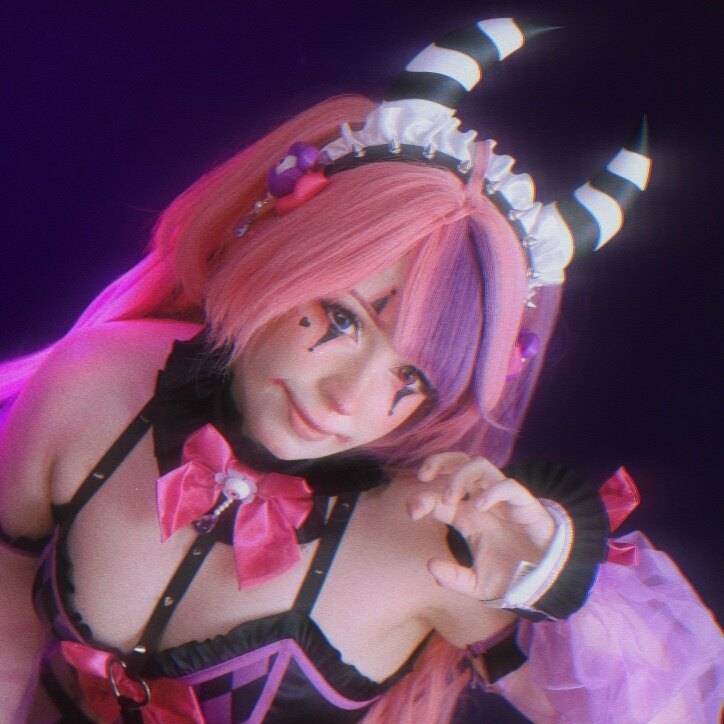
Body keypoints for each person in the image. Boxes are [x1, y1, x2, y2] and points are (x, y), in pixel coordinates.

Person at [0, 17, 721, 724]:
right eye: (343, 319)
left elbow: (673, 712)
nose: (350, 399)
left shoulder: (427, 541)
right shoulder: (100, 383)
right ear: (276, 253)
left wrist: (552, 583)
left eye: (413, 379)